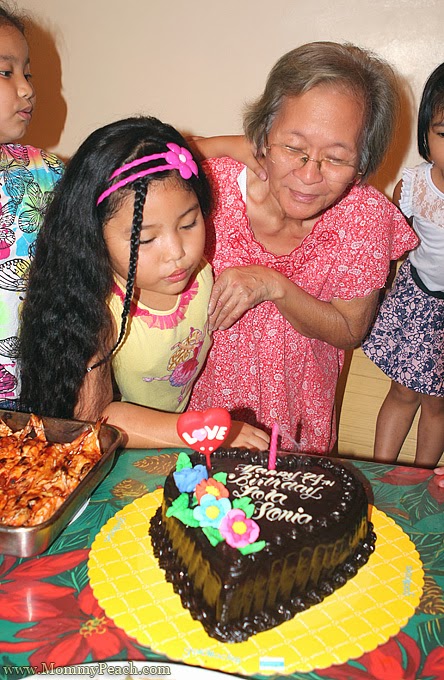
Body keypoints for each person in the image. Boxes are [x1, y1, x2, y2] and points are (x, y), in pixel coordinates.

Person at [188, 41, 418, 453]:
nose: (309, 176)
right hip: (196, 423)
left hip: (298, 434)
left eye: (336, 159)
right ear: (263, 133)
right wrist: (217, 144)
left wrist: (273, 285)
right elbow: (135, 162)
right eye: (294, 148)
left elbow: (349, 330)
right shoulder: (210, 187)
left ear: (362, 163)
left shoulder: (363, 217)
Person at [18, 116, 269, 450]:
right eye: (146, 239)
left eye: (189, 224)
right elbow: (94, 421)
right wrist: (202, 431)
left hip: (172, 445)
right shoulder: (98, 310)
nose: (177, 253)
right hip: (114, 454)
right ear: (93, 236)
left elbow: (178, 160)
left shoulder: (200, 272)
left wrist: (228, 145)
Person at [362, 63, 444, 468]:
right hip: (417, 300)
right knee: (402, 391)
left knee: (437, 404)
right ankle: (379, 475)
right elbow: (392, 244)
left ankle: (420, 481)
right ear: (426, 133)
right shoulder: (413, 185)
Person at [0, 4, 63, 410]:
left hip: (35, 392)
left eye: (28, 73)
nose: (26, 88)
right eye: (5, 72)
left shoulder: (47, 172)